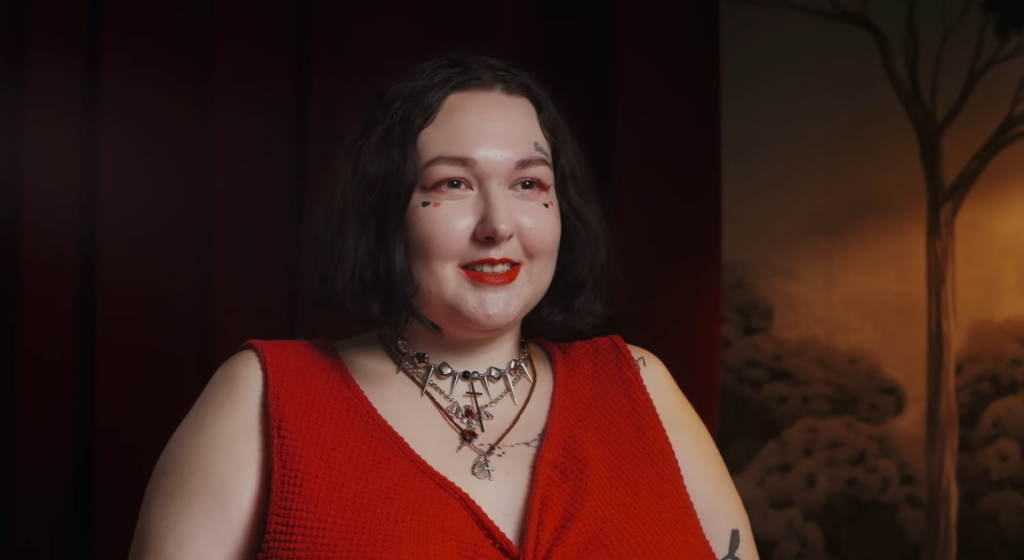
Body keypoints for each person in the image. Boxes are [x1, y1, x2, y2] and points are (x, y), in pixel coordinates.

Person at [128, 53, 756, 559]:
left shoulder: (641, 387)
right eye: (452, 183)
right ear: (384, 211)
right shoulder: (264, 396)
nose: (498, 225)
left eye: (529, 183)